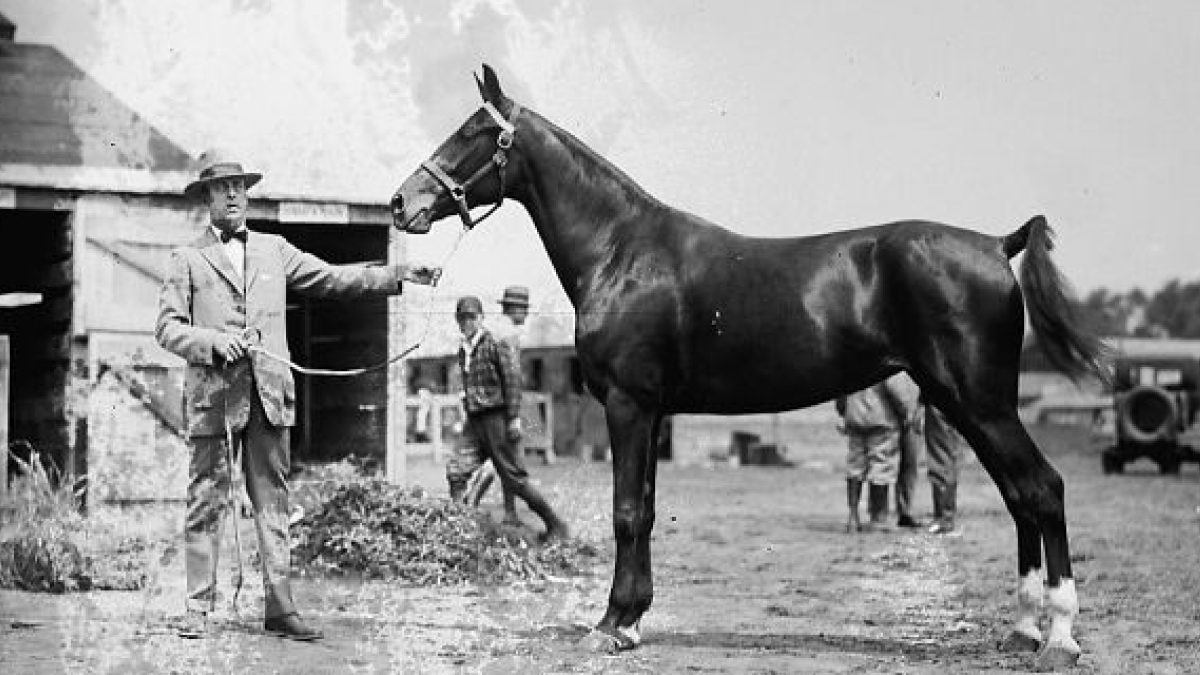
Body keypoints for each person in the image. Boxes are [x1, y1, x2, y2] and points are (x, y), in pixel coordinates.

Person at [156, 149, 441, 640]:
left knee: (274, 503)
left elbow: (331, 277)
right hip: (215, 406)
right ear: (205, 196)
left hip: (269, 398)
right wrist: (213, 343)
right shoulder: (186, 259)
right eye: (222, 187)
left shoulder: (274, 249)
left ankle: (279, 608)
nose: (232, 195)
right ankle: (197, 609)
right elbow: (167, 328)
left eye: (239, 186)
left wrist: (396, 276)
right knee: (206, 502)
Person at [446, 295, 569, 541]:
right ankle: (460, 525)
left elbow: (512, 381)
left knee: (515, 479)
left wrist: (513, 418)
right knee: (456, 470)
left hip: (498, 418)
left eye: (471, 317)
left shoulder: (496, 343)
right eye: (462, 318)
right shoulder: (464, 350)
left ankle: (555, 525)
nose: (467, 323)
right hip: (475, 420)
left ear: (481, 319)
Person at [461, 285, 531, 522]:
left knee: (503, 464)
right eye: (523, 309)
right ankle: (505, 511)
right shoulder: (506, 332)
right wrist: (514, 415)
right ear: (515, 309)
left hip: (492, 408)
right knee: (509, 463)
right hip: (500, 409)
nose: (525, 314)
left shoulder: (500, 329)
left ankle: (500, 509)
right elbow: (511, 377)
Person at [835, 373, 917, 533]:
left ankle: (853, 517)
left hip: (854, 416)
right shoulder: (882, 354)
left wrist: (843, 411)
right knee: (881, 466)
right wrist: (907, 412)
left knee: (854, 466)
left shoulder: (849, 357)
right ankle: (878, 518)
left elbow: (839, 391)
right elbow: (896, 389)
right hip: (880, 418)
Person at [923, 403, 966, 534]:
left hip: (939, 400)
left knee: (940, 459)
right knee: (950, 457)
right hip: (955, 401)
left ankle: (944, 517)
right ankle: (945, 515)